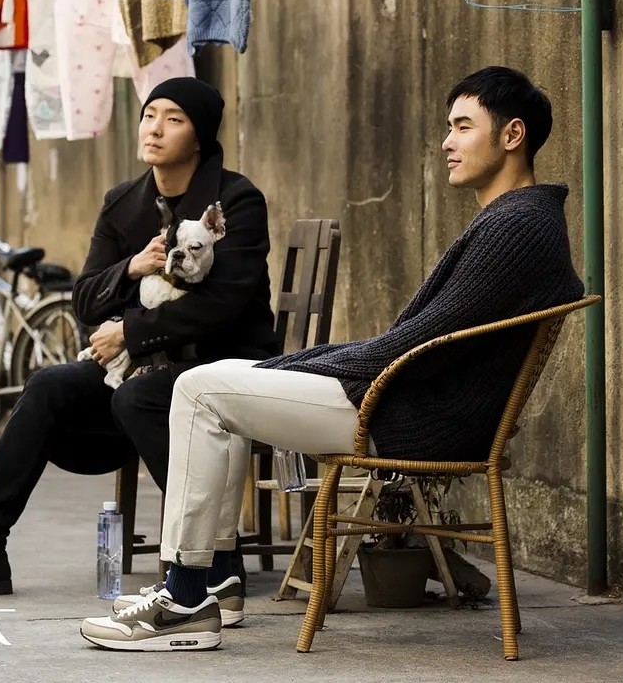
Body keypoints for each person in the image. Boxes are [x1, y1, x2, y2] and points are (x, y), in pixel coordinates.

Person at [79, 66, 586, 651]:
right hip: (402, 399)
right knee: (210, 383)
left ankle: (188, 596)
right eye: (449, 127)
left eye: (463, 127)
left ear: (512, 135)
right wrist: (306, 362)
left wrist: (301, 364)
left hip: (406, 414)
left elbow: (415, 346)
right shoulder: (517, 220)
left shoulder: (517, 227)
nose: (447, 142)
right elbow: (417, 341)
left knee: (198, 389)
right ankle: (207, 584)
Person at [0, 78, 279, 606]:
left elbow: (226, 304)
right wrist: (132, 267)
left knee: (137, 396)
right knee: (49, 385)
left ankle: (214, 558)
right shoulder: (123, 203)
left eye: (173, 119)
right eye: (150, 115)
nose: (155, 128)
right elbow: (84, 300)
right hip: (147, 374)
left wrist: (130, 332)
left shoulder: (235, 202)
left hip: (223, 369)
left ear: (199, 137)